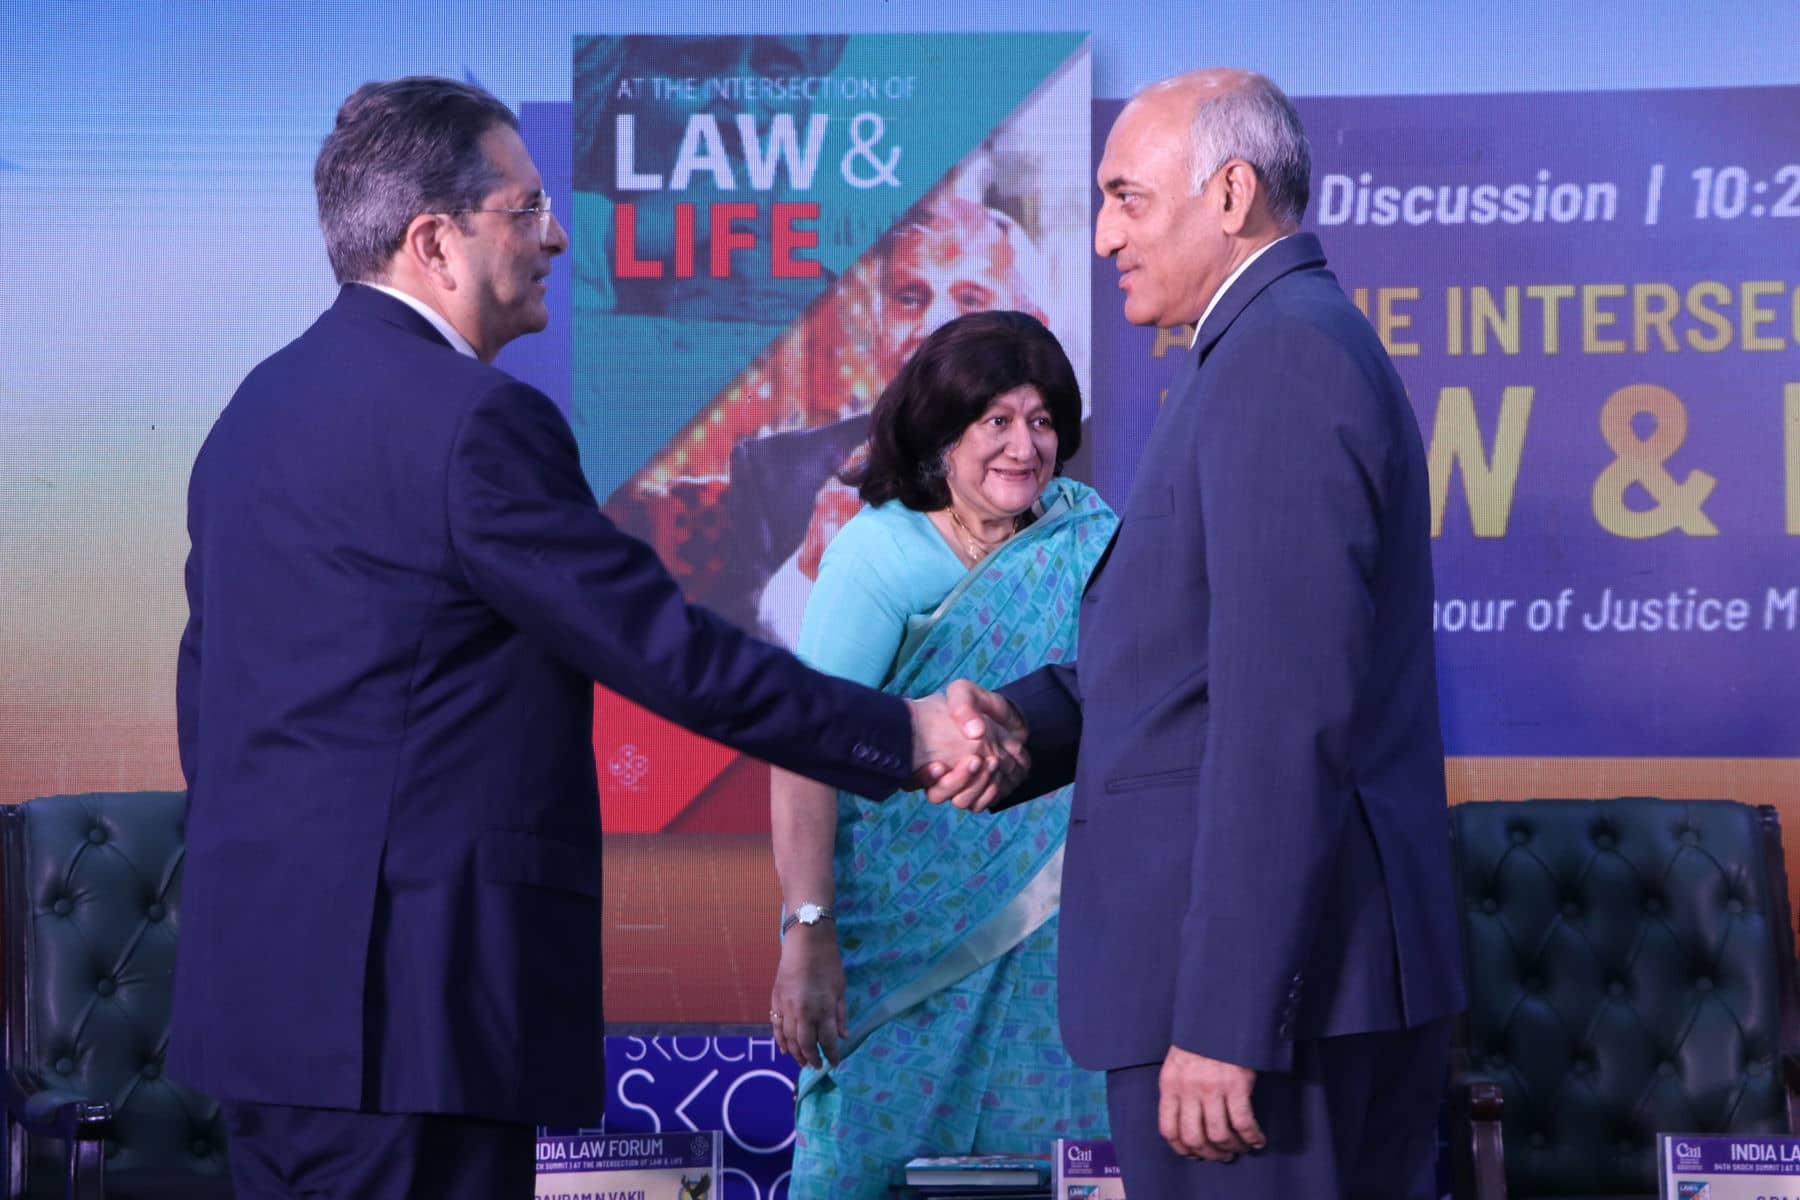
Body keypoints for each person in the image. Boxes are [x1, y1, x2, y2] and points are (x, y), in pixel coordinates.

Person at [172, 76, 1017, 1200]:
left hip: (263, 1000)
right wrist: (903, 734)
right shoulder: (475, 422)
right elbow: (663, 650)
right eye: (525, 207)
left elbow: (209, 699)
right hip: (413, 1014)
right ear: (434, 241)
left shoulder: (253, 412)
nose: (557, 236)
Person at [946, 70, 1464, 1197]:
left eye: (1126, 197)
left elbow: (1284, 712)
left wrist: (1229, 1013)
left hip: (1273, 1017)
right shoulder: (1262, 348)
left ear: (1230, 194)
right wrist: (1022, 726)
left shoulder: (1282, 359)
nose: (1104, 236)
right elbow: (1196, 663)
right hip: (1288, 998)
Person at [768, 310, 1116, 1199]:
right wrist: (808, 931)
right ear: (941, 432)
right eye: (996, 420)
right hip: (899, 944)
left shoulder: (1090, 542)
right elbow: (806, 751)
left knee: (1057, 1161)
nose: (1023, 446)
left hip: (1058, 940)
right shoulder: (879, 555)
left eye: (1041, 421)